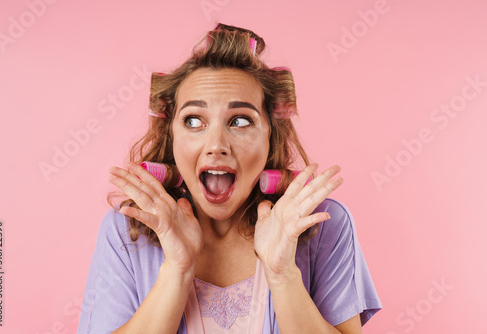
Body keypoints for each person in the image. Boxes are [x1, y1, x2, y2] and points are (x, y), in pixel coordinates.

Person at [77, 23, 382, 333]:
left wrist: (282, 274)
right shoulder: (126, 230)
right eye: (194, 120)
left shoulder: (322, 226)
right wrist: (177, 272)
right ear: (172, 137)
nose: (216, 146)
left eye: (240, 120)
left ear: (270, 137)